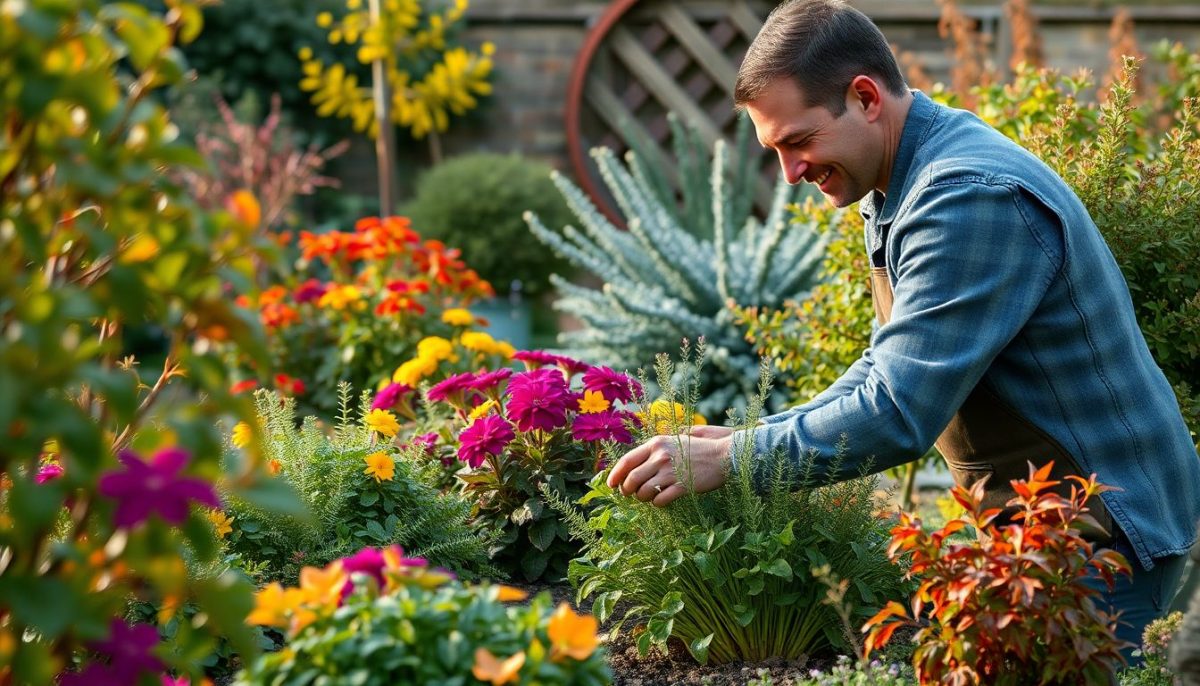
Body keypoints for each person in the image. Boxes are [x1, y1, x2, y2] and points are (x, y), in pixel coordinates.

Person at [606, 0, 1200, 655]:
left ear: (864, 98)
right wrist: (750, 438)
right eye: (775, 150)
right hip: (1050, 530)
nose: (790, 172)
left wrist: (733, 460)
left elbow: (897, 412)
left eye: (798, 141)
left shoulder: (965, 195)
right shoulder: (901, 179)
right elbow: (883, 367)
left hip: (1110, 543)